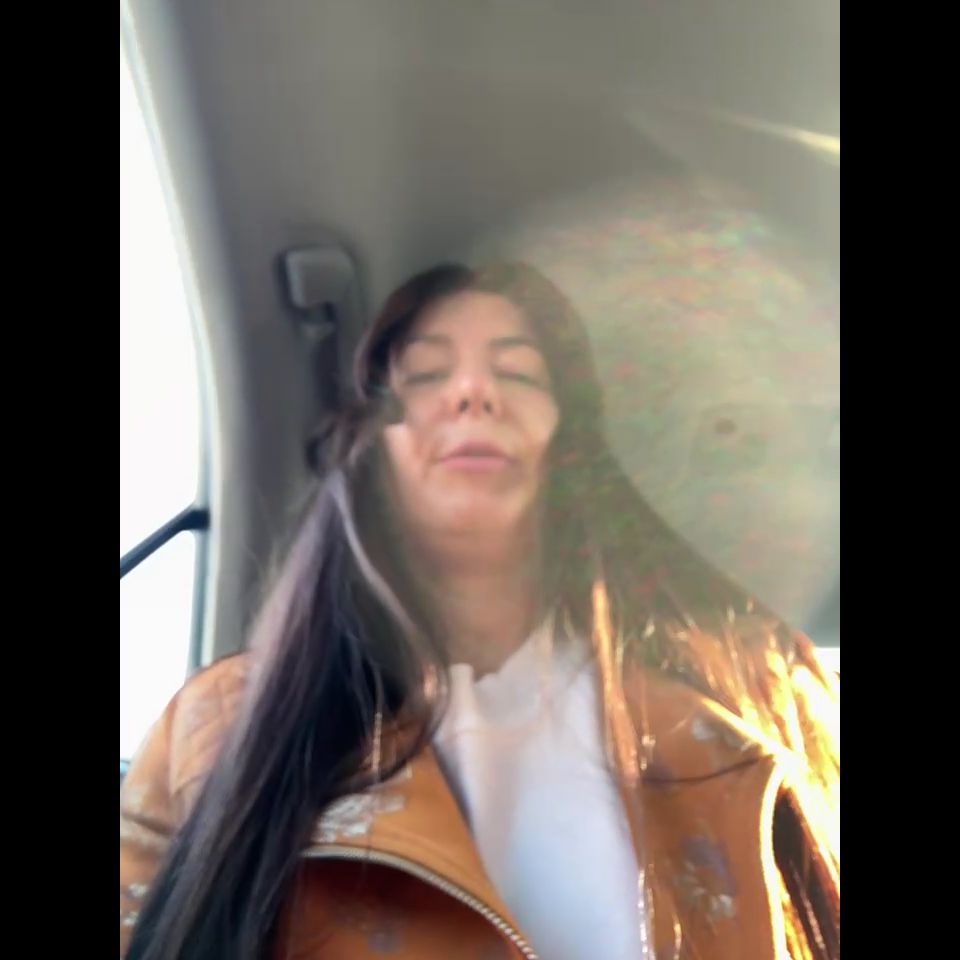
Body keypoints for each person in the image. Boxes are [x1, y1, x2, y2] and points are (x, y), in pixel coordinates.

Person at [120, 262, 839, 960]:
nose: (473, 391)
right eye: (427, 374)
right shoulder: (216, 722)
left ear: (568, 447)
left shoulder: (746, 701)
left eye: (519, 374)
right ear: (371, 452)